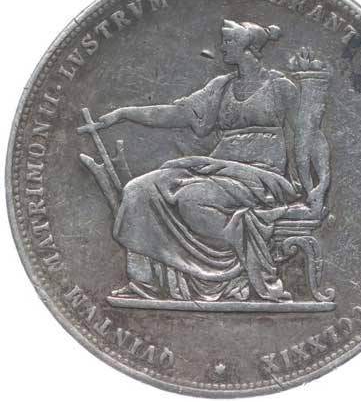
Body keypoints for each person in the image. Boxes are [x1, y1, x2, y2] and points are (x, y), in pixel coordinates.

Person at [95, 19, 315, 302]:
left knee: (191, 199)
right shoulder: (221, 87)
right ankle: (143, 283)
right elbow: (176, 114)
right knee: (138, 189)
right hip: (217, 167)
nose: (222, 47)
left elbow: (309, 136)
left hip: (262, 174)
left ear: (247, 47)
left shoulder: (280, 87)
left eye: (228, 41)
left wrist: (318, 186)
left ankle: (231, 266)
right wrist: (124, 113)